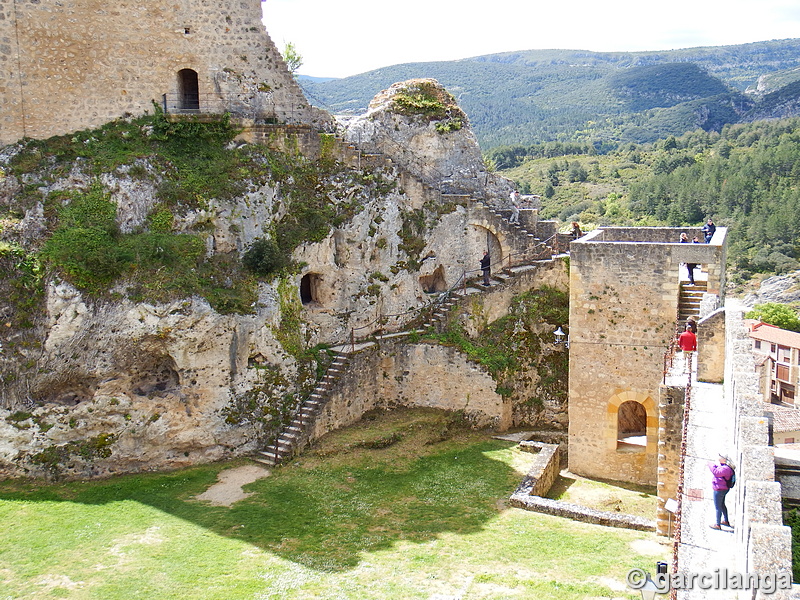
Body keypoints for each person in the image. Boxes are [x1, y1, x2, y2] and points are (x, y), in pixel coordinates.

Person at [708, 453, 734, 530]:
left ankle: (717, 524)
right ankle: (726, 520)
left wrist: (710, 465)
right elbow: (719, 469)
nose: (719, 457)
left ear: (724, 459)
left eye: (720, 456)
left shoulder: (726, 468)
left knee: (718, 507)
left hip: (720, 489)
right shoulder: (724, 467)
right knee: (722, 504)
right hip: (723, 488)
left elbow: (716, 472)